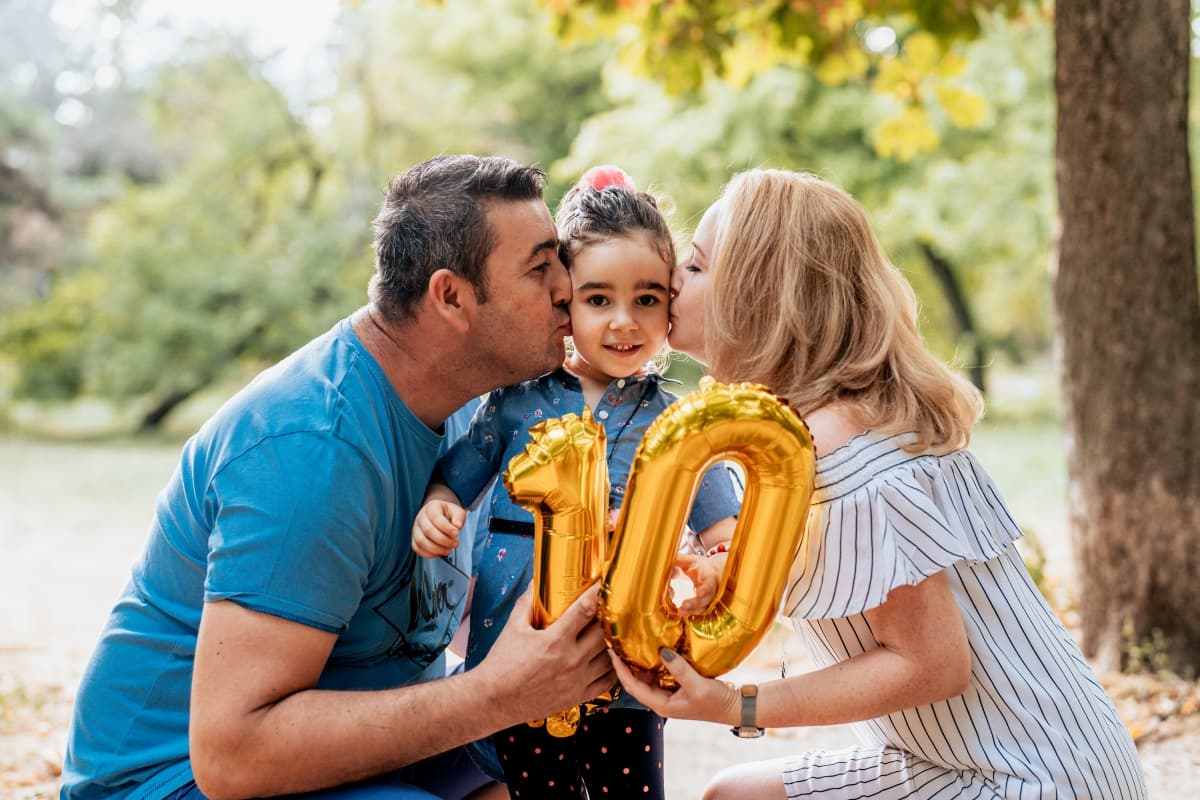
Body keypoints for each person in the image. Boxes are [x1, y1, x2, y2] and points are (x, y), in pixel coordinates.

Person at [60, 155, 616, 800]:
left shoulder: (473, 411)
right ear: (451, 298)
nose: (566, 288)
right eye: (540, 267)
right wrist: (498, 693)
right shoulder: (311, 449)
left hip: (346, 749)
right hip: (169, 777)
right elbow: (231, 756)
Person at [610, 169, 1148, 799]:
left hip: (1034, 777)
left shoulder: (840, 451)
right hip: (993, 759)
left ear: (760, 297)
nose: (674, 279)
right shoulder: (808, 429)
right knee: (734, 795)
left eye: (697, 266)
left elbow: (932, 665)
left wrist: (738, 704)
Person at [411, 165, 741, 799]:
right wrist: (439, 509)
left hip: (627, 665)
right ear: (564, 301)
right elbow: (455, 481)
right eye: (598, 300)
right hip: (518, 655)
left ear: (671, 303)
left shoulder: (676, 422)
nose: (624, 322)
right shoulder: (515, 402)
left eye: (647, 299)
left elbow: (724, 533)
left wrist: (713, 569)